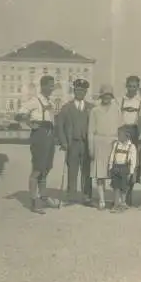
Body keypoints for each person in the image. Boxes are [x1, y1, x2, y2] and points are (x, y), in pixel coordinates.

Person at [15, 75, 60, 214]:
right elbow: (18, 115)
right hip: (39, 134)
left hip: (50, 135)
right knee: (37, 169)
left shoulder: (50, 102)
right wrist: (29, 123)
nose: (52, 88)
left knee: (46, 168)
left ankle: (43, 196)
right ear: (43, 86)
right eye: (50, 85)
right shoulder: (34, 101)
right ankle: (34, 202)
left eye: (53, 85)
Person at [56, 78, 94, 206]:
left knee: (87, 170)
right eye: (78, 90)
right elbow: (59, 126)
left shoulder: (91, 108)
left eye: (83, 90)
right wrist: (63, 142)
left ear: (86, 92)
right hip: (72, 143)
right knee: (72, 170)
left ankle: (86, 196)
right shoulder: (67, 107)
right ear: (74, 90)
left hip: (86, 144)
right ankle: (71, 196)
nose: (80, 92)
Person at [88, 84, 122, 211]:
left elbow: (121, 128)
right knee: (100, 174)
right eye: (104, 95)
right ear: (101, 96)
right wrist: (90, 147)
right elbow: (90, 131)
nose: (106, 98)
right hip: (99, 143)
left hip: (113, 143)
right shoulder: (94, 111)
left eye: (108, 95)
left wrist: (120, 145)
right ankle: (101, 199)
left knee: (114, 173)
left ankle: (115, 199)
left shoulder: (116, 109)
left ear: (111, 97)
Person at [119, 75, 141, 206]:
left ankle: (128, 195)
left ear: (138, 87)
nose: (131, 89)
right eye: (129, 86)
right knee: (120, 163)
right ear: (126, 86)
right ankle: (120, 196)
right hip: (122, 133)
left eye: (134, 86)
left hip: (135, 133)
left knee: (132, 164)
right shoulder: (120, 100)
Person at [108, 125, 137, 213]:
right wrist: (110, 167)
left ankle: (123, 203)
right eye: (118, 135)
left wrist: (131, 172)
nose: (118, 136)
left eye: (120, 135)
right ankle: (116, 204)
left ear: (127, 135)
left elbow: (133, 161)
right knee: (116, 187)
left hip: (125, 168)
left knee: (124, 188)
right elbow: (112, 156)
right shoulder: (116, 144)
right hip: (116, 167)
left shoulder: (131, 146)